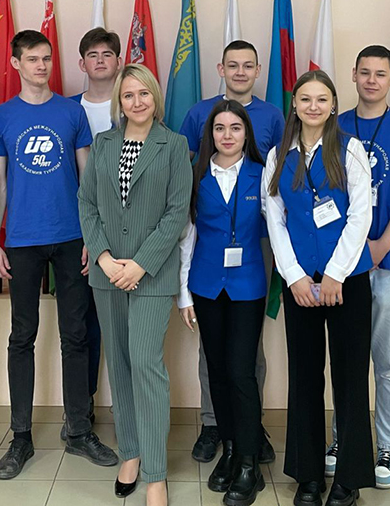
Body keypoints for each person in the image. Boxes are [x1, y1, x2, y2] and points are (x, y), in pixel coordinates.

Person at [0, 30, 117, 479]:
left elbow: (88, 179)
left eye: (46, 58)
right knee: (22, 336)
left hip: (71, 238)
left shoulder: (71, 112)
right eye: (32, 59)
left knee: (75, 335)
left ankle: (79, 430)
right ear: (16, 64)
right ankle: (20, 438)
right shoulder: (1, 117)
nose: (41, 66)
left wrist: (93, 238)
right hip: (22, 239)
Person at [78, 64, 192, 506]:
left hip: (152, 275)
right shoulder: (103, 144)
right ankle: (130, 451)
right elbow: (87, 204)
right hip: (108, 275)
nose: (137, 102)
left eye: (144, 93)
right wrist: (105, 258)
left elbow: (176, 213)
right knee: (120, 363)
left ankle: (155, 472)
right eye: (128, 95)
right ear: (119, 102)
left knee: (145, 363)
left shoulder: (174, 145)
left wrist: (140, 265)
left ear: (155, 98)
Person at [263, 70, 374, 506]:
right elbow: (275, 219)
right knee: (305, 377)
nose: (313, 106)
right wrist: (293, 276)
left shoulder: (350, 149)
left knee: (350, 379)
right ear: (294, 104)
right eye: (305, 98)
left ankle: (349, 478)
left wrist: (335, 274)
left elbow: (360, 215)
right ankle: (308, 475)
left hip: (346, 282)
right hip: (300, 285)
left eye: (322, 99)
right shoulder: (278, 155)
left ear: (332, 106)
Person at [324, 46, 390, 489]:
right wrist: (348, 254)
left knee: (388, 362)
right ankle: (344, 440)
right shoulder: (333, 127)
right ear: (353, 75)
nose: (371, 80)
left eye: (380, 74)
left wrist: (381, 246)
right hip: (343, 266)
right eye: (364, 72)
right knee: (346, 361)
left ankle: (389, 447)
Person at [178, 39, 283, 464]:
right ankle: (214, 425)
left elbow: (280, 191)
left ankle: (250, 427)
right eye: (233, 65)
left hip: (254, 250)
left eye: (248, 65)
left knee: (248, 354)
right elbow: (186, 193)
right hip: (208, 258)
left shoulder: (273, 116)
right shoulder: (198, 115)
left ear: (257, 70)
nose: (240, 72)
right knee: (213, 353)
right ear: (221, 68)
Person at [178, 100, 269, 506]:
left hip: (247, 285)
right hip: (206, 285)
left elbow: (278, 227)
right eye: (219, 128)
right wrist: (184, 293)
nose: (227, 135)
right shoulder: (196, 174)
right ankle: (230, 450)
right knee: (216, 371)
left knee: (241, 372)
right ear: (209, 134)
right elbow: (187, 236)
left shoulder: (262, 174)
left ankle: (249, 463)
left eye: (235, 128)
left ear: (246, 133)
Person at [65, 26, 123, 439]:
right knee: (81, 323)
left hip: (127, 232)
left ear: (119, 62)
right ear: (81, 63)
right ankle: (81, 405)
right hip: (77, 232)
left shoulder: (134, 105)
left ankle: (128, 406)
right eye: (93, 55)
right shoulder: (66, 110)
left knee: (121, 324)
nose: (100, 61)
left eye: (107, 54)